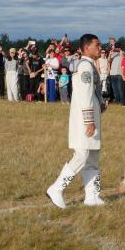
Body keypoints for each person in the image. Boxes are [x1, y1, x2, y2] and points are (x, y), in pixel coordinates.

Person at [46, 34, 107, 209]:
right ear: (87, 47)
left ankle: (92, 196)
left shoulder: (89, 66)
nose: (100, 47)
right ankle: (56, 189)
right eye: (97, 44)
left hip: (91, 117)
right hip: (84, 120)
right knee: (81, 155)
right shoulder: (85, 67)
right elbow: (85, 94)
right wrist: (89, 120)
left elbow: (92, 92)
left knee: (92, 157)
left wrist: (101, 104)